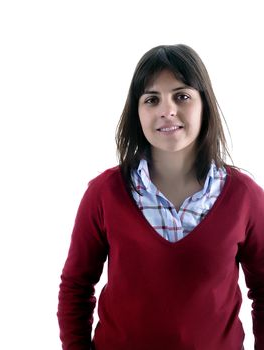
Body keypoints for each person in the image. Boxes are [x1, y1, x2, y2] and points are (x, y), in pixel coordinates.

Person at [57, 44, 264, 350]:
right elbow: (76, 287)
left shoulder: (245, 196)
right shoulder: (103, 194)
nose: (167, 110)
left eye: (182, 96)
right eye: (152, 99)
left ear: (204, 104)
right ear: (136, 112)